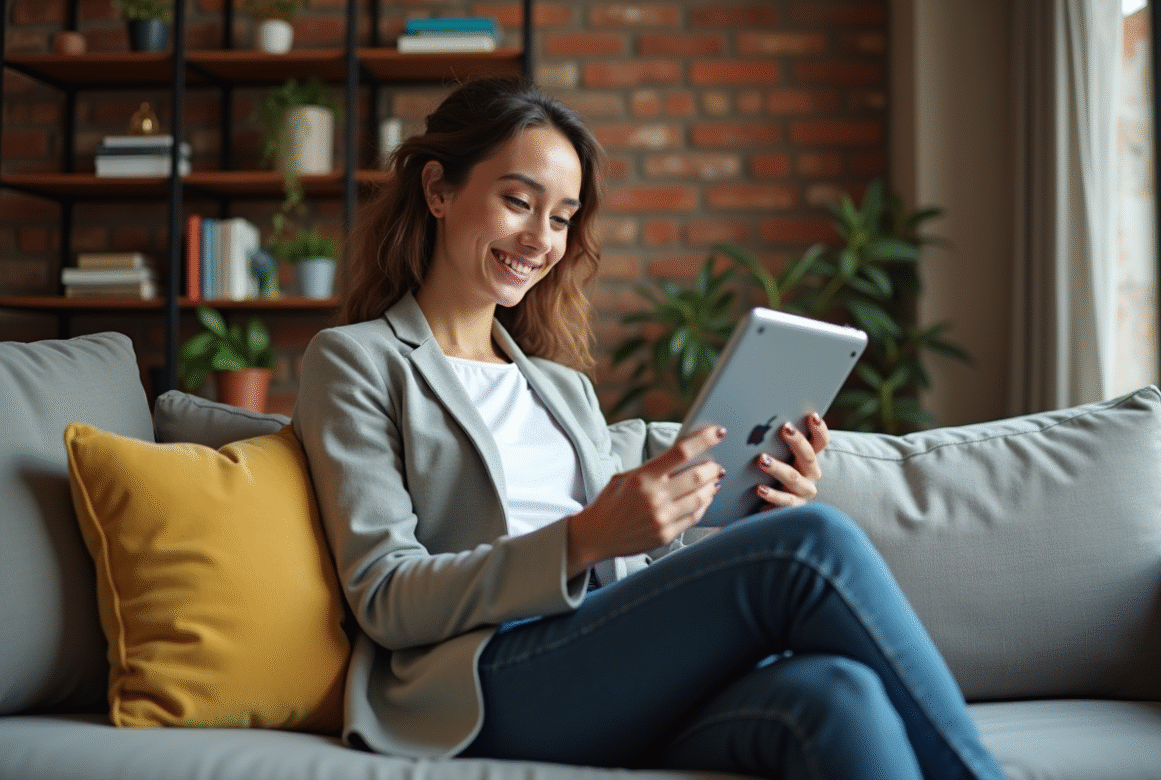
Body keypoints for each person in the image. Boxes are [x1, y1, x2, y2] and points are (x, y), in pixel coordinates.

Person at [292, 76, 1006, 780]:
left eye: (563, 217)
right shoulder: (357, 361)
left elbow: (625, 571)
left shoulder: (559, 387)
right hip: (482, 680)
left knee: (837, 699)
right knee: (812, 544)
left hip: (601, 660)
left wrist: (741, 512)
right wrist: (584, 538)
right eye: (518, 201)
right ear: (439, 191)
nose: (541, 239)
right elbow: (386, 596)